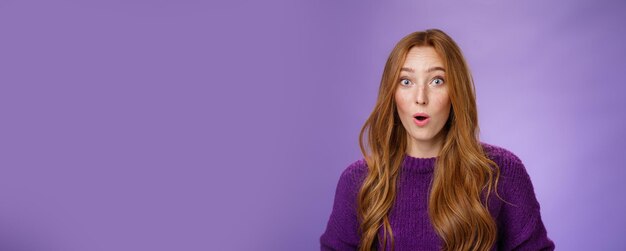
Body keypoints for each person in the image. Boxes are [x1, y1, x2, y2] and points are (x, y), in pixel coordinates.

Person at [319, 29, 555, 251]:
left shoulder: (502, 172)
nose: (420, 98)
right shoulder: (359, 181)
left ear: (456, 92)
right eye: (406, 81)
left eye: (436, 81)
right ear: (392, 94)